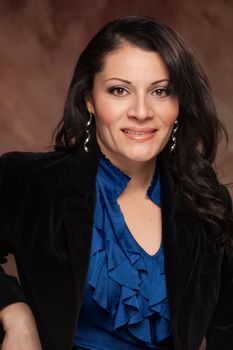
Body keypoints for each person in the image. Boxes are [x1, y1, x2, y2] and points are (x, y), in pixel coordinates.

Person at [0, 15, 232, 350]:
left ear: (179, 105)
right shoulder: (29, 181)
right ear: (89, 99)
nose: (141, 111)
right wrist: (14, 312)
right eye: (119, 90)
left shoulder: (208, 201)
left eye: (161, 91)